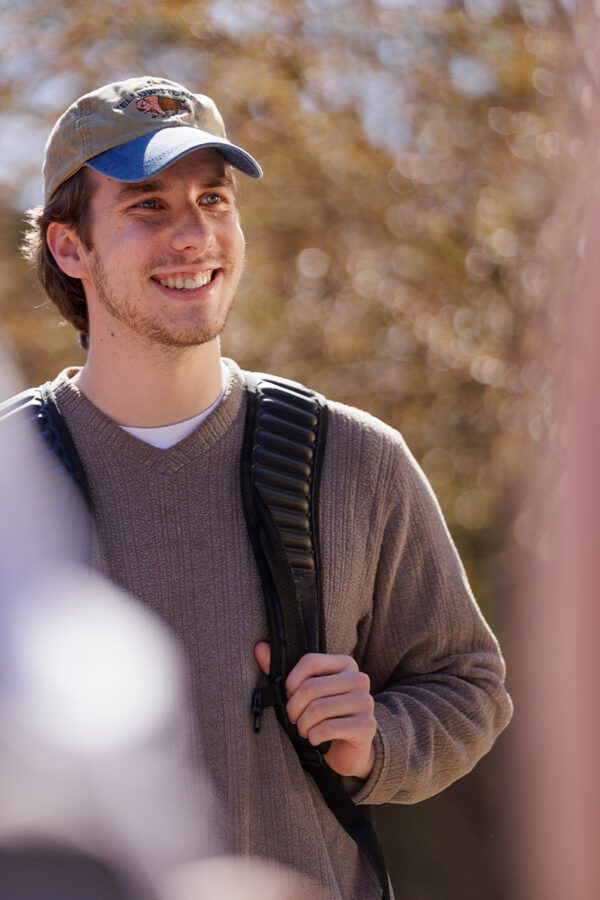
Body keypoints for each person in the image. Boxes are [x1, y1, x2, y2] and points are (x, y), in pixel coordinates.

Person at [7, 76, 512, 899]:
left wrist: (378, 738)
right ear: (70, 248)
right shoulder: (7, 481)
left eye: (214, 199)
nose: (195, 235)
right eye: (148, 206)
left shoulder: (354, 458)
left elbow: (469, 685)